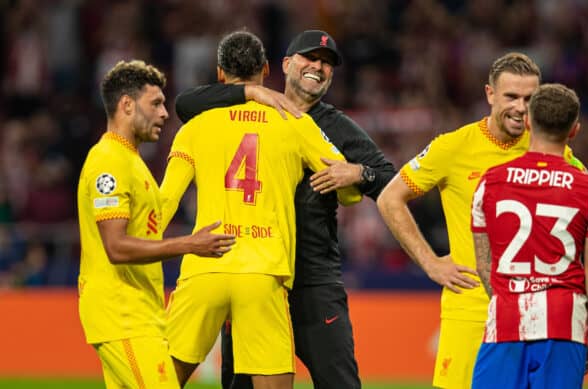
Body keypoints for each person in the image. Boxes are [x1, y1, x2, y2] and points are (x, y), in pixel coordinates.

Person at [173, 29, 396, 389]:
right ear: (286, 65)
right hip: (253, 273)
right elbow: (184, 104)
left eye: (327, 64)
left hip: (312, 278)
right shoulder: (244, 108)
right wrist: (250, 90)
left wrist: (359, 171)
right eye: (310, 59)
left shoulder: (337, 127)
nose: (319, 67)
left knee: (339, 383)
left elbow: (392, 180)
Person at [376, 52, 586, 388]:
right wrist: (430, 262)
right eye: (511, 97)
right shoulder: (454, 147)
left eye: (530, 99)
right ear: (490, 94)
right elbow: (390, 198)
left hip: (536, 317)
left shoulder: (551, 152)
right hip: (471, 309)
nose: (520, 107)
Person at [77, 60, 236, 388]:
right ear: (126, 105)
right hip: (122, 315)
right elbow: (116, 247)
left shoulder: (132, 163)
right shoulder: (109, 162)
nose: (165, 113)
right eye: (156, 103)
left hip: (140, 313)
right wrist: (189, 245)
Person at [470, 83, 588, 388]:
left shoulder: (490, 183)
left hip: (505, 322)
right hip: (565, 324)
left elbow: (484, 266)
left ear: (528, 122)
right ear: (574, 131)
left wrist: (510, 303)